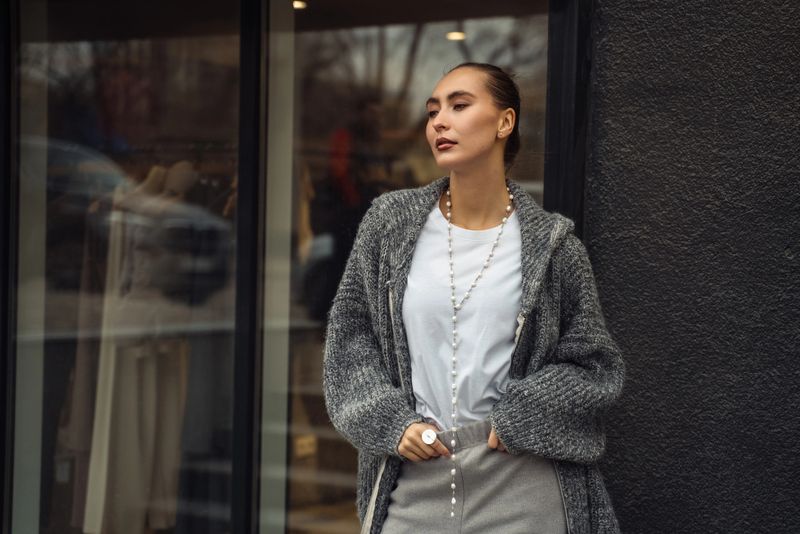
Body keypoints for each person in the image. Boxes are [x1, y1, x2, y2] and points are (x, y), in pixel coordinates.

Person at [323, 62, 625, 534]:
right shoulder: (389, 224)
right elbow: (350, 338)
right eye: (432, 112)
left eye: (459, 105)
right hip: (414, 476)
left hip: (520, 477)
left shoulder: (554, 246)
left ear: (505, 122)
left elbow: (595, 365)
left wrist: (522, 415)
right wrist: (390, 422)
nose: (439, 122)